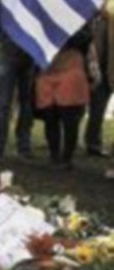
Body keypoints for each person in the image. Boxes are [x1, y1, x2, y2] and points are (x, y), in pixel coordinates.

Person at [35, 34, 95, 170]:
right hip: (47, 70)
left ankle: (65, 157)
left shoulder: (80, 24)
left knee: (69, 119)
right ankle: (55, 156)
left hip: (69, 68)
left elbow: (86, 39)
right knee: (51, 118)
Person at [0, 33, 35, 159]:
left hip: (22, 52)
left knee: (23, 103)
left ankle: (18, 145)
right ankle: (1, 146)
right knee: (6, 103)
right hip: (13, 51)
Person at [84, 0, 113, 157]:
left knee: (98, 110)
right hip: (81, 69)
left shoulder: (111, 20)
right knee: (75, 110)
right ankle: (66, 144)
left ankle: (93, 143)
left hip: (104, 70)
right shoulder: (83, 19)